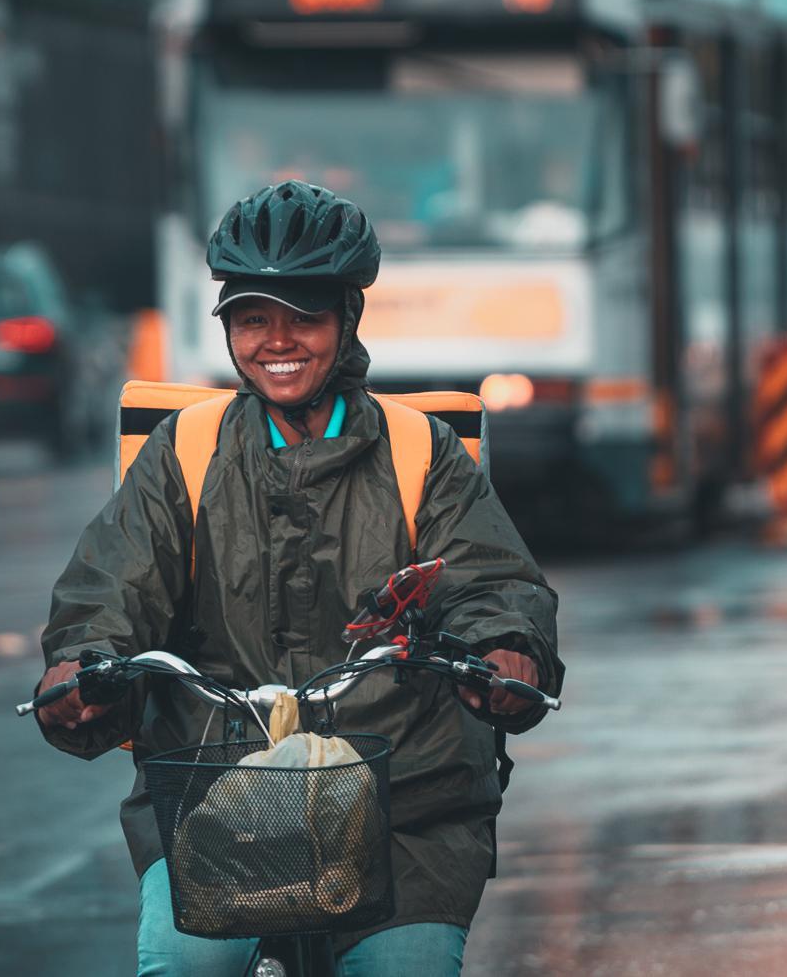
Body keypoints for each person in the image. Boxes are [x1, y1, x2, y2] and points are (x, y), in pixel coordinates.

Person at [35, 180, 564, 976]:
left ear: (346, 321)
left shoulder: (424, 451)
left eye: (304, 317)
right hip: (218, 801)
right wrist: (83, 663)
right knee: (186, 967)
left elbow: (493, 583)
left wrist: (507, 650)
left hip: (406, 810)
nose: (276, 341)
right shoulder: (185, 450)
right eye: (253, 318)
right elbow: (113, 586)